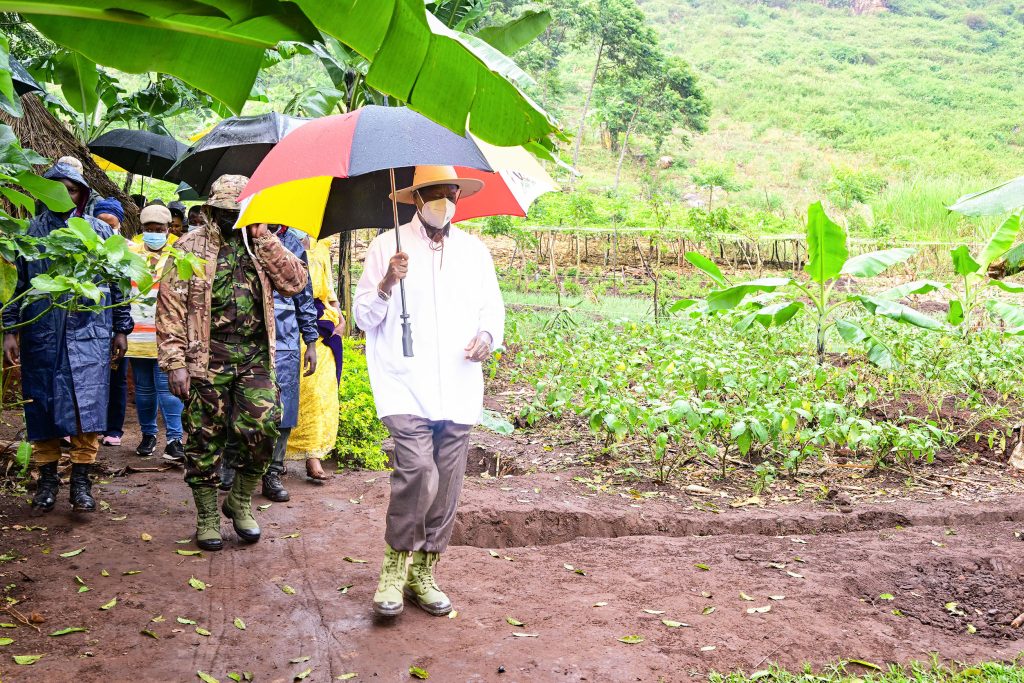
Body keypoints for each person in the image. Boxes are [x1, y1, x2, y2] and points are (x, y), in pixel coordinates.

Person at [354, 165, 504, 617]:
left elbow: (491, 308)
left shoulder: (475, 252)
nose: (445, 203)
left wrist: (487, 337)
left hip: (458, 384)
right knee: (418, 471)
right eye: (436, 194)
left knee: (448, 481)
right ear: (416, 199)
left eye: (452, 194)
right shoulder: (388, 246)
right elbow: (363, 317)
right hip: (404, 382)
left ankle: (425, 570)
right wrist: (387, 284)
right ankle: (394, 568)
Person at [157, 175, 308, 551]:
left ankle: (239, 499)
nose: (230, 218)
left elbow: (295, 283)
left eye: (237, 211)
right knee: (204, 436)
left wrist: (265, 238)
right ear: (211, 211)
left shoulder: (261, 243)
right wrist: (175, 361)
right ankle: (207, 516)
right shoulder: (190, 246)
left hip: (255, 355)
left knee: (265, 425)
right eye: (223, 212)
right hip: (207, 356)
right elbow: (170, 308)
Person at [2, 163, 133, 512]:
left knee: (87, 405)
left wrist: (121, 327)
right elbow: (16, 287)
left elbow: (116, 283)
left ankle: (81, 481)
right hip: (41, 332)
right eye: (58, 188)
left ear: (83, 193)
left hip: (90, 333)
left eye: (72, 189)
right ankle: (46, 481)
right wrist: (11, 329)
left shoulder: (99, 233)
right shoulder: (30, 234)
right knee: (41, 403)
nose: (65, 195)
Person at [219, 225, 318, 501]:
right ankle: (231, 461)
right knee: (236, 401)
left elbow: (304, 294)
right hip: (247, 335)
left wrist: (310, 341)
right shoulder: (238, 237)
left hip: (285, 337)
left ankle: (273, 471)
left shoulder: (292, 242)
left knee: (284, 406)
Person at [127, 204, 184, 462]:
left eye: (158, 229)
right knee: (144, 389)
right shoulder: (130, 251)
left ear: (168, 229)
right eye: (148, 229)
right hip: (137, 332)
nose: (153, 234)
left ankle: (174, 439)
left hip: (168, 334)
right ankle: (148, 435)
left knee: (168, 389)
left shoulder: (179, 252)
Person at [286, 234, 343, 481]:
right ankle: (280, 456)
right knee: (294, 389)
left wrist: (339, 318)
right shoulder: (281, 242)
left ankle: (313, 456)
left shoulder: (322, 245)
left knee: (321, 393)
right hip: (290, 320)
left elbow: (328, 290)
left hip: (323, 324)